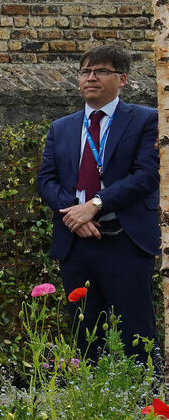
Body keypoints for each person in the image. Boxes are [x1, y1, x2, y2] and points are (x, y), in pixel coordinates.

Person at [36, 45, 159, 362]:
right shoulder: (60, 127)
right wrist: (75, 215)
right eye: (85, 71)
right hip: (76, 243)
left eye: (100, 71)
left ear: (122, 79)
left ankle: (148, 404)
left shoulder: (145, 121)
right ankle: (92, 403)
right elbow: (46, 180)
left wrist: (96, 204)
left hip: (125, 240)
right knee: (85, 335)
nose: (91, 78)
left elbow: (146, 175)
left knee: (136, 335)